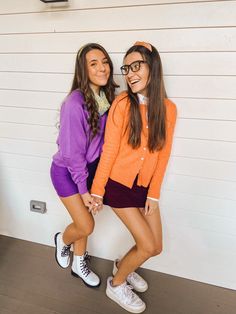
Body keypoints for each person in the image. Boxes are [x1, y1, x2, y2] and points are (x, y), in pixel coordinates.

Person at [91, 41, 177, 312]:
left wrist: (154, 193)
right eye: (126, 68)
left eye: (136, 66)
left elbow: (163, 154)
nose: (129, 73)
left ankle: (123, 265)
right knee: (147, 244)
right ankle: (116, 284)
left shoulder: (168, 109)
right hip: (118, 186)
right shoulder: (121, 104)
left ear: (153, 67)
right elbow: (109, 150)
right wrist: (97, 190)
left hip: (144, 187)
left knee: (156, 247)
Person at [50, 43, 118, 287]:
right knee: (86, 224)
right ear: (83, 70)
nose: (102, 68)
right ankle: (62, 240)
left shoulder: (105, 98)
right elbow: (72, 154)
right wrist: (84, 188)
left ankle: (79, 264)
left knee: (85, 222)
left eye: (105, 61)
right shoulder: (74, 103)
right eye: (93, 63)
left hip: (89, 172)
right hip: (67, 173)